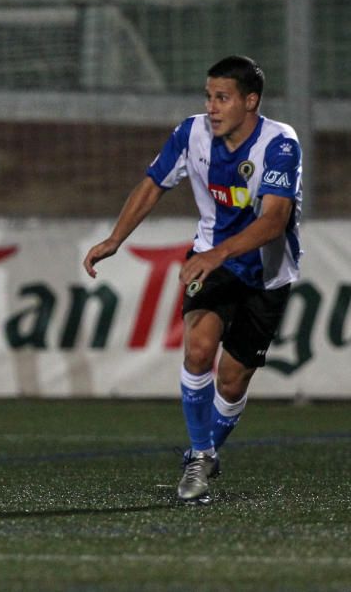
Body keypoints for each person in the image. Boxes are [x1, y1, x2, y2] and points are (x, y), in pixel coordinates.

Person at [82, 55, 302, 504]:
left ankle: (206, 450)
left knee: (233, 382)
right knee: (199, 349)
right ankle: (200, 455)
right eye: (209, 96)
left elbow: (275, 220)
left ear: (250, 101)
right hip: (211, 262)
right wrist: (115, 238)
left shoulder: (280, 144)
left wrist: (222, 251)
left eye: (223, 98)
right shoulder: (191, 133)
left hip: (268, 275)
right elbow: (153, 183)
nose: (212, 107)